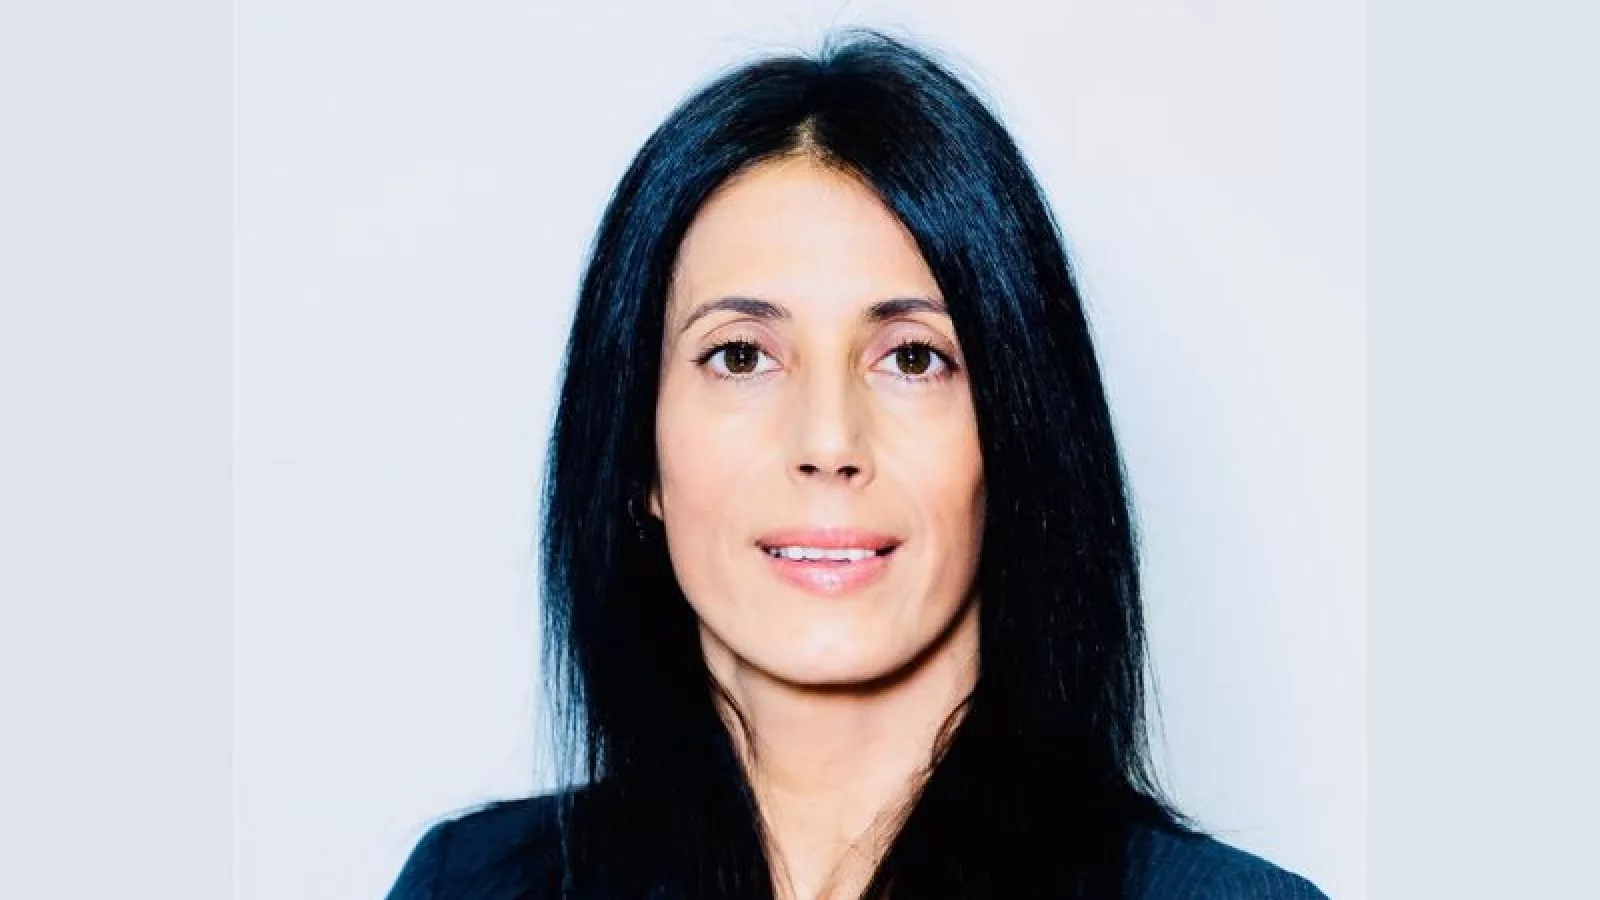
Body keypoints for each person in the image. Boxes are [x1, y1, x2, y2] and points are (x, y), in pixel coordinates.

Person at [387, 29, 1328, 900]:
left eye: (913, 358)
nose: (829, 443)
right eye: (740, 356)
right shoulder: (466, 885)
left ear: (1017, 435)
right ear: (639, 450)